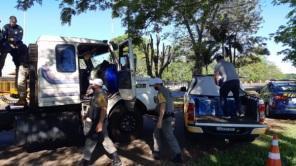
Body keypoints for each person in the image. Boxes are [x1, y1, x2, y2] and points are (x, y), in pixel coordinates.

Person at [81, 78, 122, 166]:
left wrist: (100, 123)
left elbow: (103, 109)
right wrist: (86, 115)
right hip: (96, 121)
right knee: (105, 140)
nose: (90, 85)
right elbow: (92, 107)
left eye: (92, 84)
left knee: (91, 140)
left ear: (96, 85)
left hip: (99, 122)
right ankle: (116, 159)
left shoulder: (101, 94)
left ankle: (85, 161)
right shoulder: (95, 94)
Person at [151, 77, 183, 163]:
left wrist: (160, 120)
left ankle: (177, 155)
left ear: (157, 84)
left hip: (165, 117)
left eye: (154, 85)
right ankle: (160, 152)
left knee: (167, 135)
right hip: (169, 115)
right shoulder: (167, 91)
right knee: (159, 134)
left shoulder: (161, 92)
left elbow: (163, 105)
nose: (153, 86)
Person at [1, 16, 29, 105]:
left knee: (20, 82)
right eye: (11, 22)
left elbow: (18, 39)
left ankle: (22, 100)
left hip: (23, 64)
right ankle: (22, 99)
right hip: (18, 65)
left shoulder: (21, 46)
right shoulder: (6, 27)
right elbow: (3, 39)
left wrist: (11, 42)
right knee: (18, 83)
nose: (13, 23)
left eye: (14, 22)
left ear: (16, 22)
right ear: (9, 22)